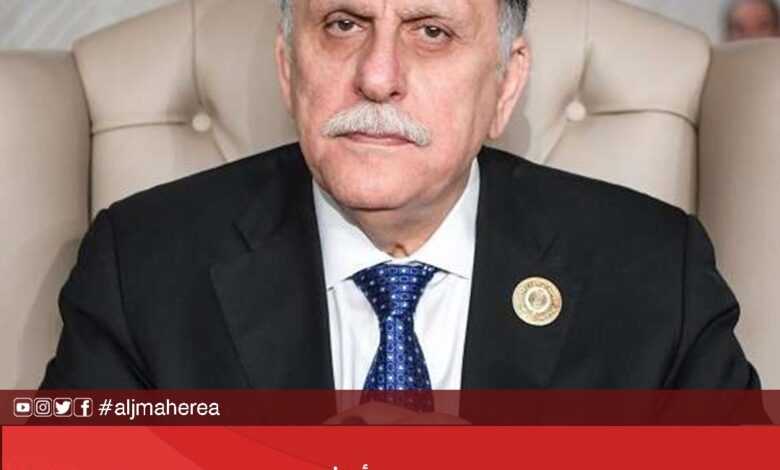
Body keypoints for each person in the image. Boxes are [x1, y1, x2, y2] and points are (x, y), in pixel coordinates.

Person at [40, 0, 760, 392]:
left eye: (432, 32)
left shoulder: (651, 271)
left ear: (506, 83)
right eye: (343, 25)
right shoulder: (142, 266)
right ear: (289, 66)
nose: (378, 76)